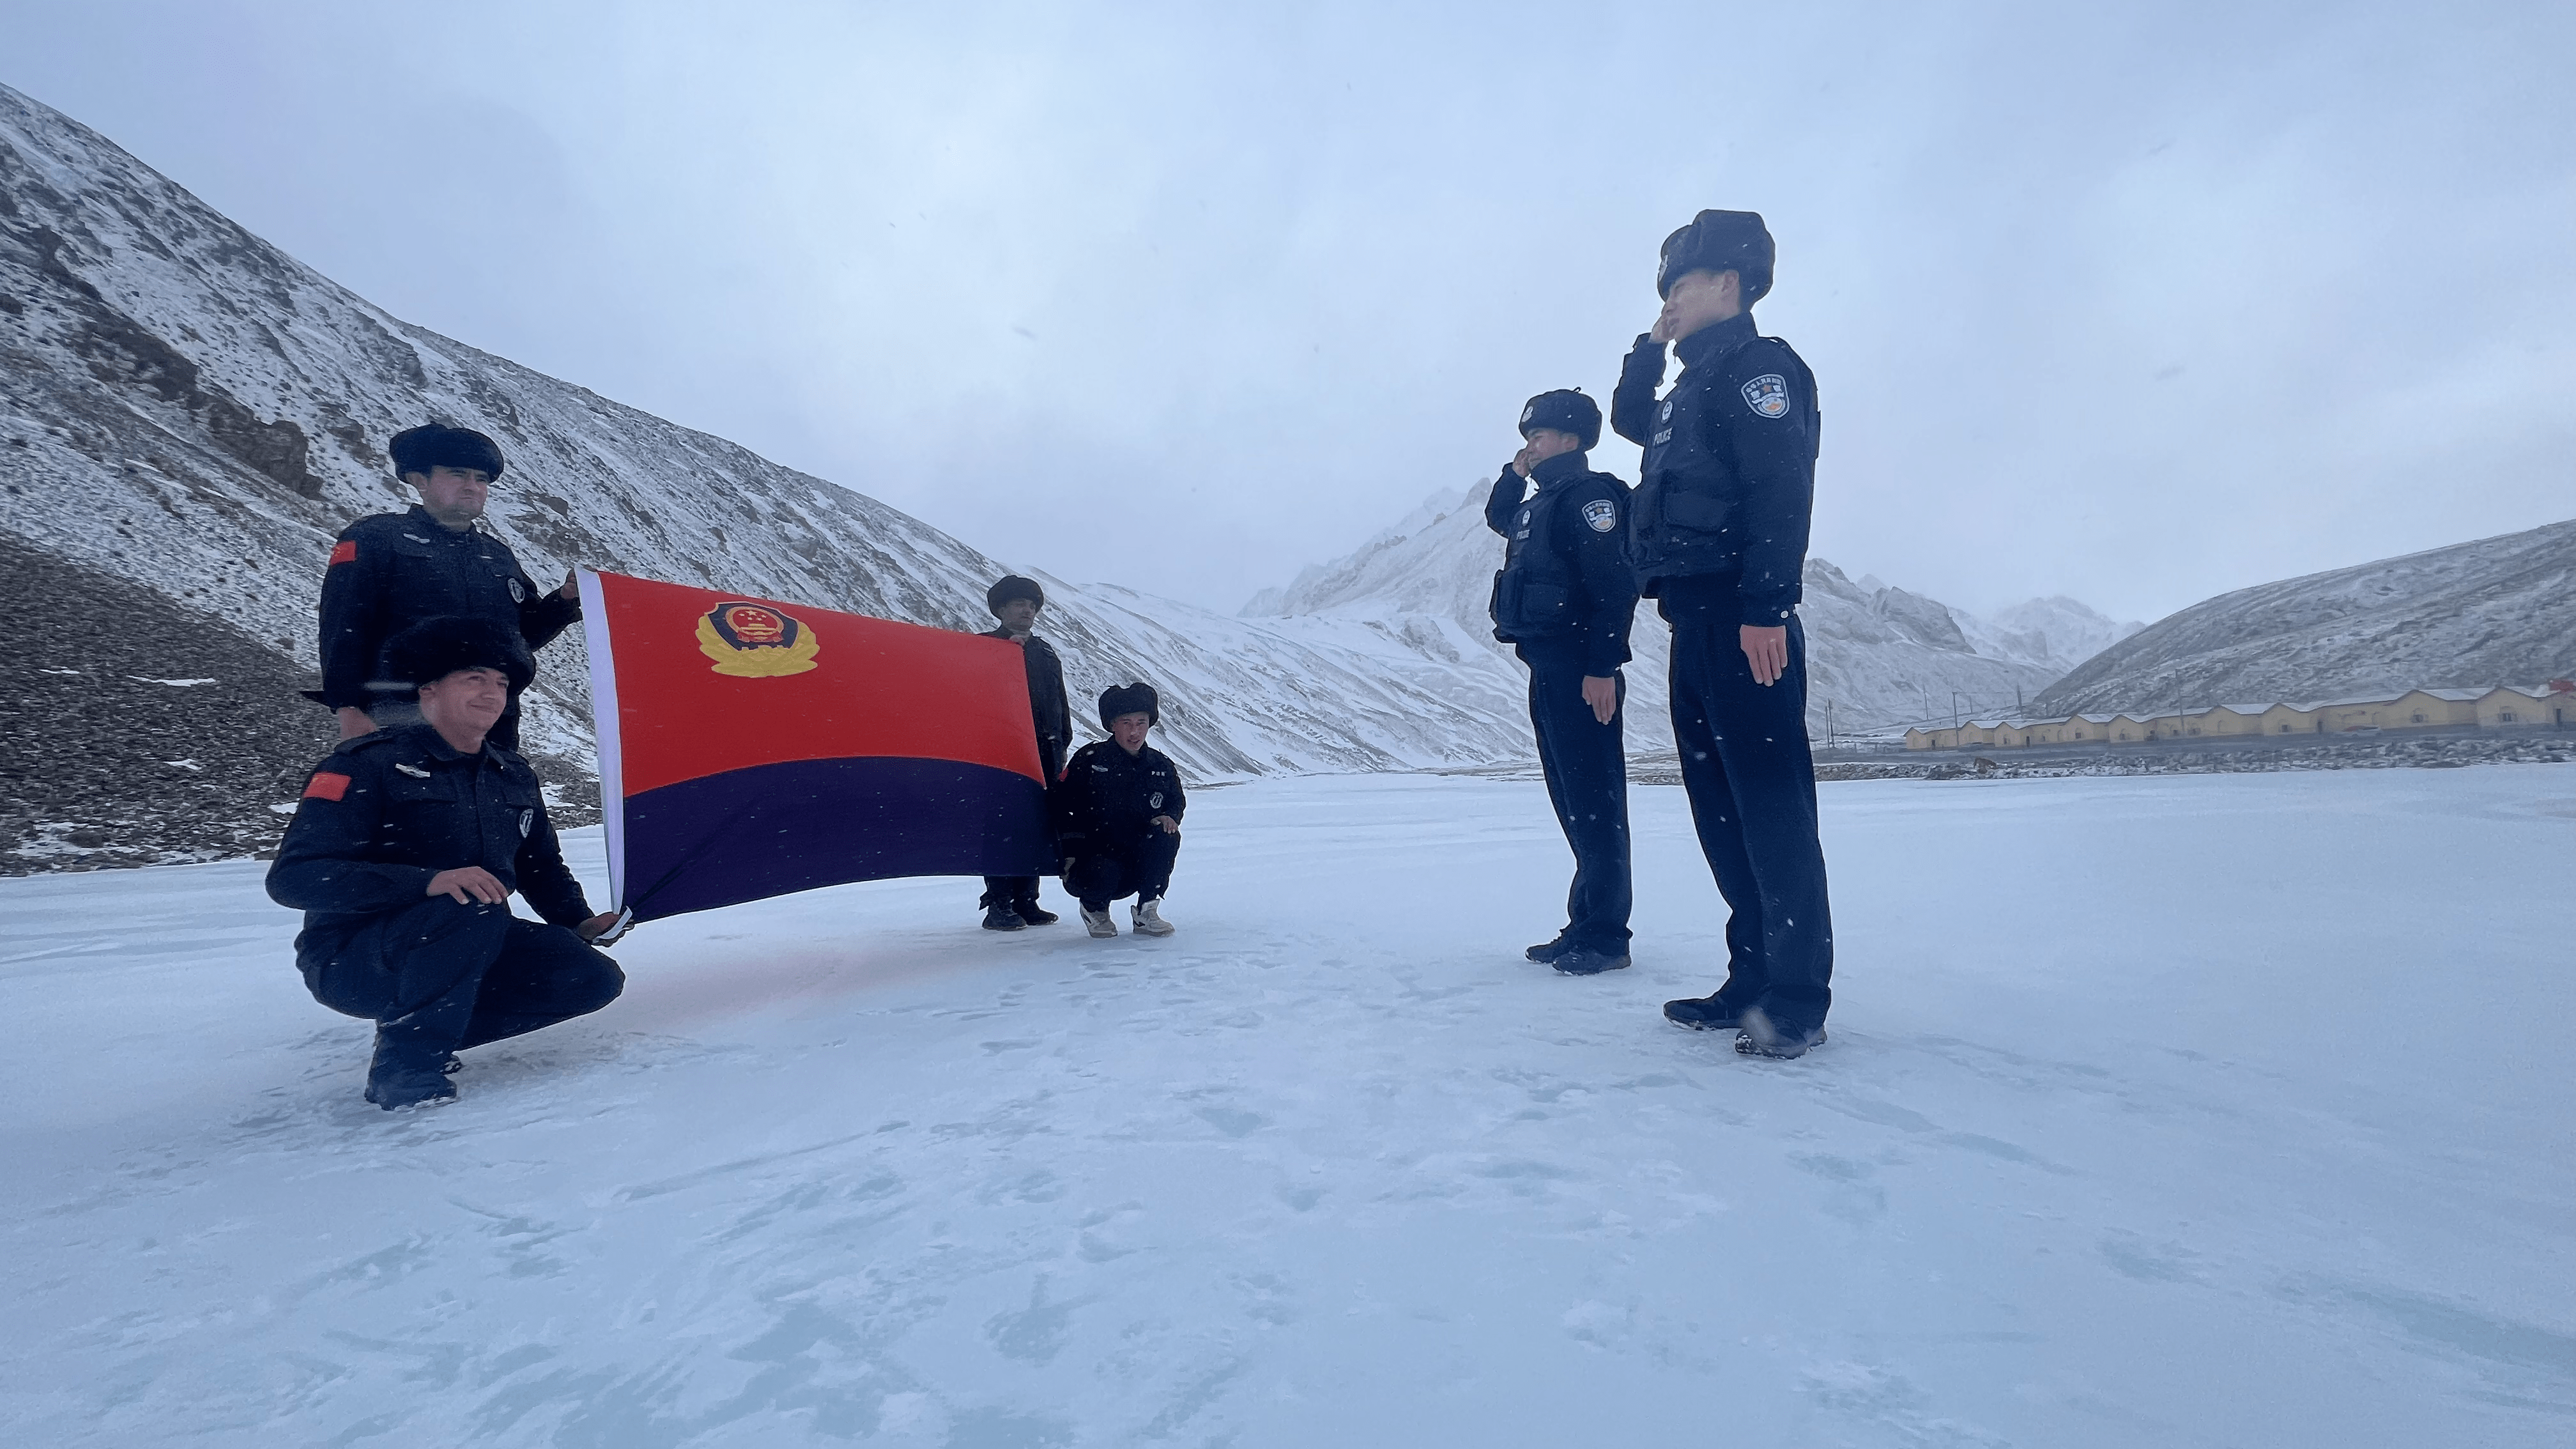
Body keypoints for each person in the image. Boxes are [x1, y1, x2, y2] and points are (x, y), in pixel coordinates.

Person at [1609, 208, 1834, 1060]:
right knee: (1721, 814)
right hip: (1694, 624)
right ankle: (1750, 978)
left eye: (1682, 283)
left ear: (1732, 284)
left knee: (1772, 812)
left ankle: (1796, 998)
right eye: (1664, 287)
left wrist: (1767, 607)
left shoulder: (1760, 372)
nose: (1670, 297)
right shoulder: (1683, 392)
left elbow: (1781, 489)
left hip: (1747, 624)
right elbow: (1635, 416)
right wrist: (1646, 341)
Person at [266, 616, 624, 1109]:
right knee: (466, 905)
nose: (491, 693)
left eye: (501, 683)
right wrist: (429, 882)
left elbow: (541, 866)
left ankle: (420, 1031)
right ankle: (407, 1074)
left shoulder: (513, 775)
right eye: (474, 678)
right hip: (353, 957)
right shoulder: (366, 764)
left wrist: (580, 921)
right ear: (429, 690)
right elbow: (294, 879)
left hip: (470, 943)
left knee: (590, 978)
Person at [1484, 388, 1640, 977]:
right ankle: (1584, 923)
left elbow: (1613, 584)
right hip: (1546, 667)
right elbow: (1501, 516)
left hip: (1581, 670)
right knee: (1573, 803)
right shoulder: (1538, 505)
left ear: (1571, 441)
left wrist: (1603, 667)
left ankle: (1606, 936)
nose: (1529, 444)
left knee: (1597, 804)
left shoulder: (1590, 498)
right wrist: (1513, 472)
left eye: (1539, 436)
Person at [313, 423, 581, 751]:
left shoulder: (497, 555)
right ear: (420, 481)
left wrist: (563, 602)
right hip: (401, 719)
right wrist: (349, 708)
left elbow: (519, 639)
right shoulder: (376, 537)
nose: (472, 487)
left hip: (491, 729)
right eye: (458, 475)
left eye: (481, 479)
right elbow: (344, 626)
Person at [977, 574, 1075, 931]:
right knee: (1002, 825)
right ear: (1001, 609)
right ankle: (998, 903)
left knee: (1036, 824)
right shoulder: (983, 647)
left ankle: (1027, 900)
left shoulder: (1046, 652)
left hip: (1045, 751)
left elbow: (1059, 702)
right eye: (1019, 604)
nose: (1027, 610)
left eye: (1032, 605)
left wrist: (1062, 740)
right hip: (1000, 751)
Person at [1055, 683, 1184, 939]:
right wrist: (1068, 854)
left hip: (1137, 863)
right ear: (1112, 724)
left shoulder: (1161, 765)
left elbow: (1175, 801)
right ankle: (1095, 908)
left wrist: (1169, 816)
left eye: (1141, 722)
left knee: (1167, 834)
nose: (1135, 731)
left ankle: (1147, 911)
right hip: (1092, 862)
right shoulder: (1090, 760)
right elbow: (1061, 806)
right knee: (1105, 870)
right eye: (1127, 722)